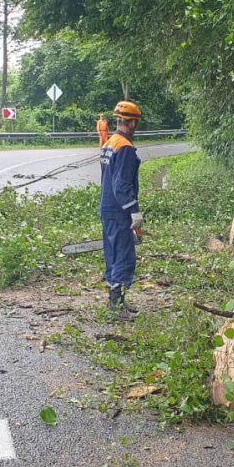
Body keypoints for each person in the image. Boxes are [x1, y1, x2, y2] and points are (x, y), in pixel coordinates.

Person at [99, 101, 144, 320]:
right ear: (132, 122)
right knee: (124, 256)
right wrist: (134, 211)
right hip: (118, 210)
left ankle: (116, 301)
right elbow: (122, 185)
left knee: (113, 254)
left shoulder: (110, 143)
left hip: (107, 206)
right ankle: (116, 306)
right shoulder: (125, 147)